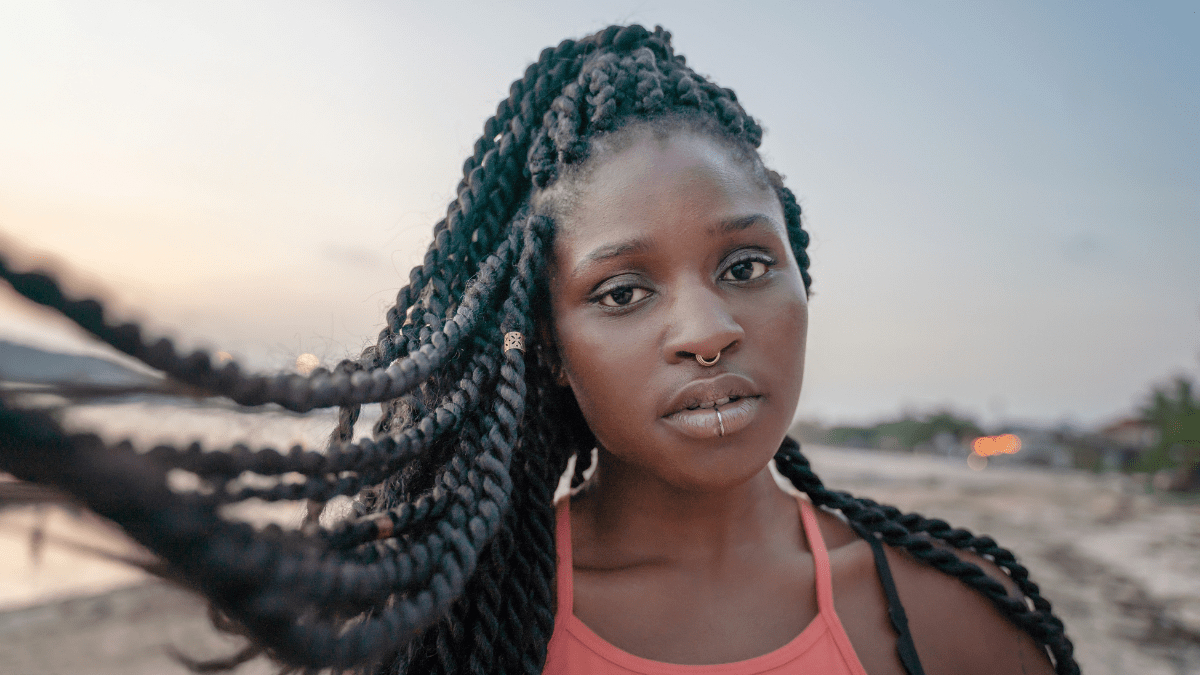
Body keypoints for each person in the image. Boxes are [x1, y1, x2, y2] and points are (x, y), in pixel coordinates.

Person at [0, 24, 1077, 675]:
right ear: (549, 346)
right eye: (621, 291)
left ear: (802, 279)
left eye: (746, 266)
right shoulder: (454, 634)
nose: (705, 331)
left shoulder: (958, 619)